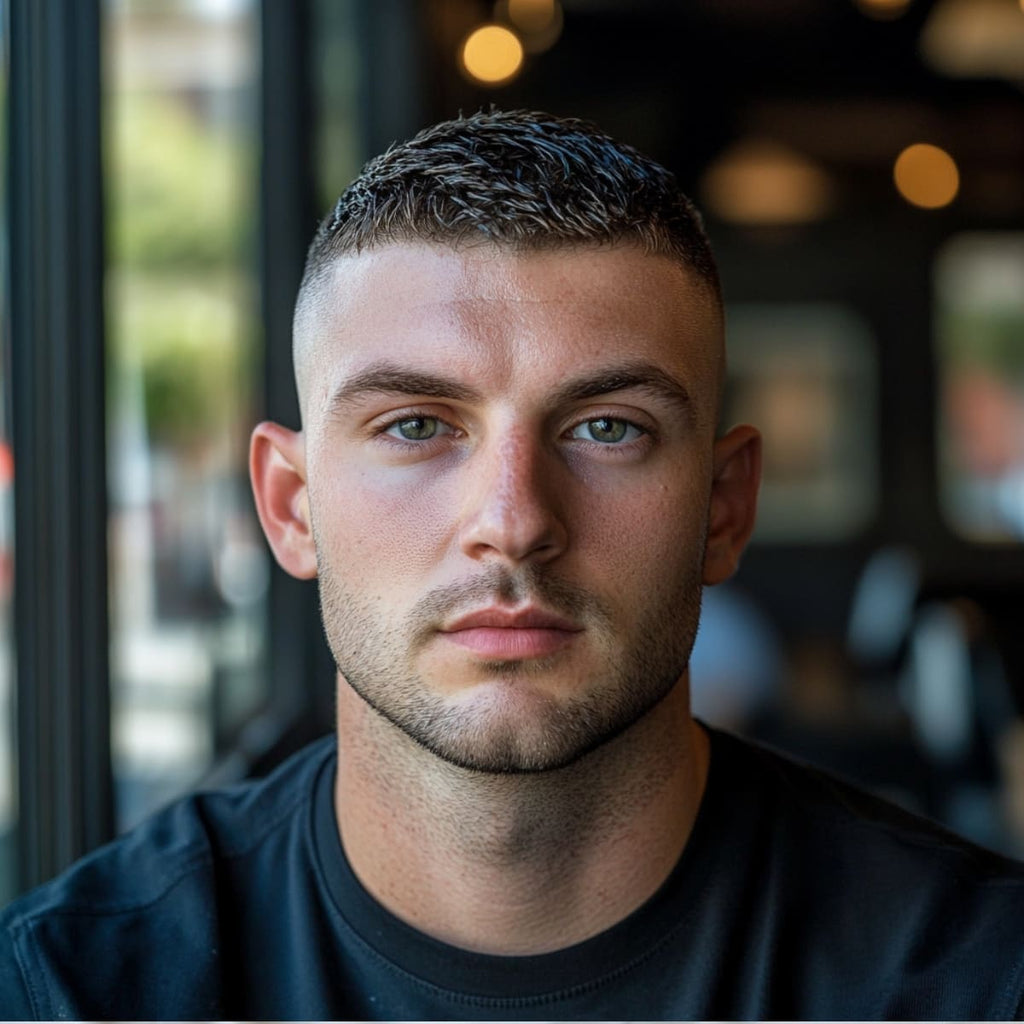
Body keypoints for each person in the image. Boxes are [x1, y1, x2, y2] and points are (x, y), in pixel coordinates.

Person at [2, 109, 1024, 1021]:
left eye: (607, 429)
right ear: (290, 504)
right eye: (413, 424)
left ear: (725, 507)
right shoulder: (72, 990)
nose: (513, 521)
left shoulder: (974, 979)